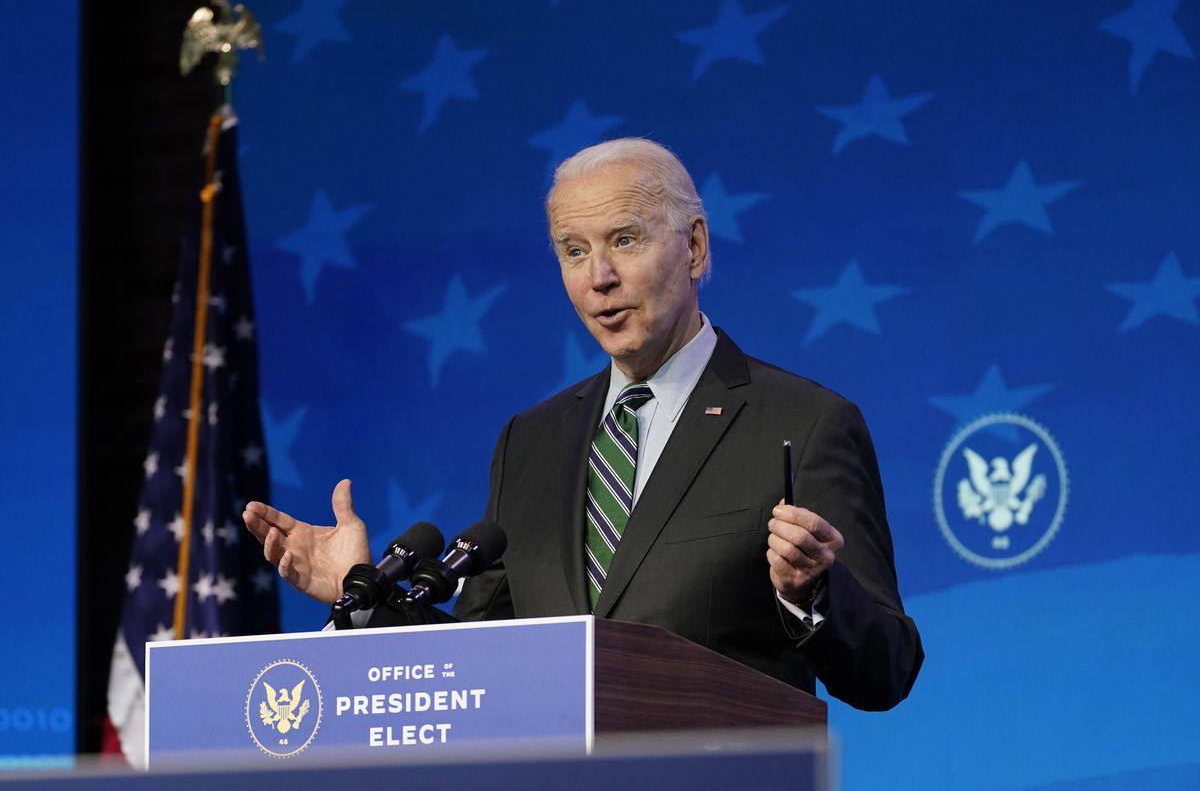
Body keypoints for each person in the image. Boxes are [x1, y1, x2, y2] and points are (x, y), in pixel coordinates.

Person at [244, 138, 922, 710]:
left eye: (624, 241)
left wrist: (810, 593)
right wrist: (362, 595)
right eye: (573, 250)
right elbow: (477, 665)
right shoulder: (530, 442)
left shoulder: (805, 423)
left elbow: (887, 669)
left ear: (694, 246)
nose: (599, 277)